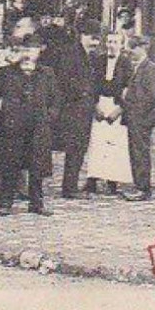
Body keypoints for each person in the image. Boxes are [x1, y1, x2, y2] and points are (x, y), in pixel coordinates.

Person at [0, 42, 59, 216]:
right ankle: (5, 202)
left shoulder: (47, 74)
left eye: (31, 49)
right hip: (12, 129)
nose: (27, 54)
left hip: (38, 128)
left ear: (39, 52)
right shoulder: (5, 73)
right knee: (10, 165)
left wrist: (48, 119)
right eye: (24, 50)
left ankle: (36, 203)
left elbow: (56, 100)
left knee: (37, 166)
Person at [38, 14, 94, 198]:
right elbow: (64, 80)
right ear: (82, 36)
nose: (94, 42)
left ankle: (69, 186)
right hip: (72, 110)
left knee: (77, 149)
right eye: (91, 37)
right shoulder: (72, 53)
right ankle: (69, 189)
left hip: (81, 109)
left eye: (96, 38)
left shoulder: (85, 54)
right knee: (74, 148)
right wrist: (84, 93)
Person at [83, 29, 132, 195]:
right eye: (109, 42)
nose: (111, 46)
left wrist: (120, 109)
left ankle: (112, 181)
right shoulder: (98, 60)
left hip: (116, 104)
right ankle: (92, 180)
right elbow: (90, 83)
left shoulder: (126, 63)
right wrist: (95, 105)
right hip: (100, 102)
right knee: (97, 142)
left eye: (115, 42)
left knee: (114, 143)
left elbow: (129, 88)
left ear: (121, 44)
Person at [118, 35, 155, 201]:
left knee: (140, 153)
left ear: (142, 48)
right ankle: (140, 186)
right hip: (135, 117)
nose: (130, 52)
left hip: (141, 118)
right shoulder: (138, 67)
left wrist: (137, 111)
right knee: (136, 152)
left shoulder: (149, 68)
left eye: (133, 48)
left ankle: (143, 188)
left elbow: (153, 96)